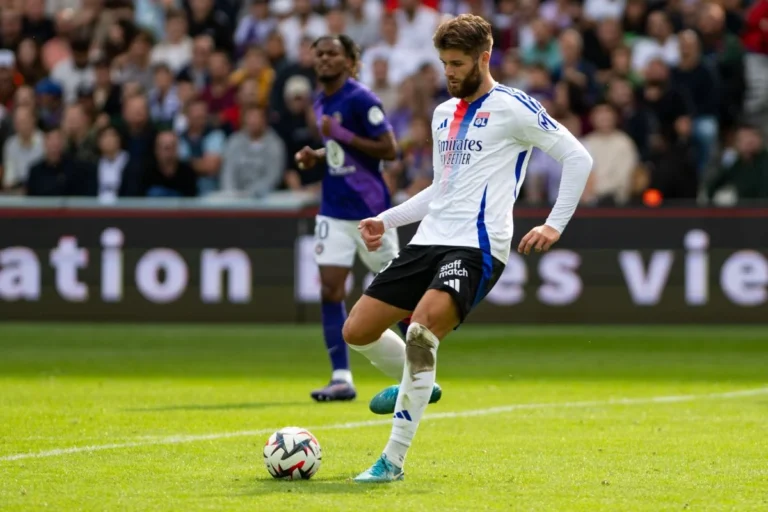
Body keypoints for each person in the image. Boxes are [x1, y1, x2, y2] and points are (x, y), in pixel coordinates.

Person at [343, 14, 593, 482]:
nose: (449, 73)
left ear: (484, 57)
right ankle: (418, 384)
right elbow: (442, 186)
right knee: (356, 330)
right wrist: (386, 218)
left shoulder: (514, 107)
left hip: (477, 246)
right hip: (429, 240)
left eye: (457, 63)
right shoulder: (442, 114)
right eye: (443, 64)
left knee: (421, 333)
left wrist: (554, 225)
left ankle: (391, 461)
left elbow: (578, 157)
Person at [294, 34, 406, 404]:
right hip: (333, 209)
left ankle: (422, 364)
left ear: (349, 61)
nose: (324, 59)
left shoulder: (362, 99)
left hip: (369, 211)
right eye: (319, 54)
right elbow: (342, 150)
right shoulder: (321, 99)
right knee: (330, 289)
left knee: (402, 290)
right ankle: (341, 377)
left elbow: (389, 149)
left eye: (332, 54)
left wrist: (339, 134)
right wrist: (319, 154)